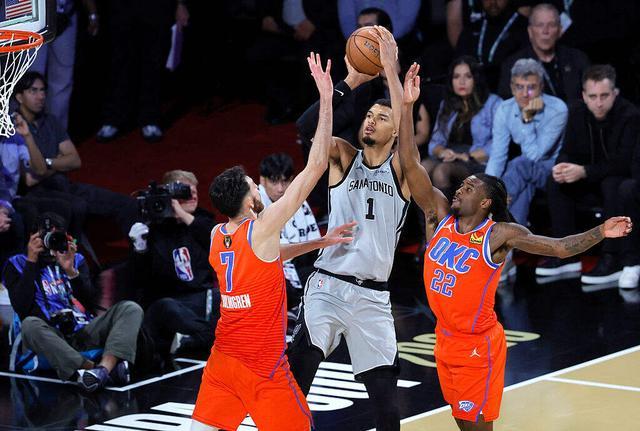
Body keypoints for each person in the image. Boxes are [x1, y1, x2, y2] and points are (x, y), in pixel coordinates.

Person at [397, 62, 632, 430]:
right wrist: (407, 106)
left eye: (469, 187)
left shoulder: (498, 234)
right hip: (444, 339)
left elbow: (559, 248)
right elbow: (411, 165)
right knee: (461, 421)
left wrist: (601, 231)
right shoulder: (439, 216)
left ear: (486, 202)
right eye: (461, 185)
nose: (459, 189)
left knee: (476, 425)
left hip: (478, 345)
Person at [191, 53, 350, 431]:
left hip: (224, 361)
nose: (257, 188)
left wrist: (320, 241)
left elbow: (268, 257)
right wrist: (327, 99)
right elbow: (315, 166)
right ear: (249, 202)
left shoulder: (217, 235)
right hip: (262, 367)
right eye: (253, 186)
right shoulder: (260, 228)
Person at [288, 27, 410, 431]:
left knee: (388, 410)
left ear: (396, 130)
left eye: (382, 117)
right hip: (328, 285)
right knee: (299, 374)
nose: (372, 121)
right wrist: (349, 82)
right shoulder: (343, 156)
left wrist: (390, 72)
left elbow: (407, 128)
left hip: (373, 297)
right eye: (369, 115)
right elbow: (306, 129)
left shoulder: (402, 170)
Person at [2, 212, 144, 392]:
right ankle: (93, 369)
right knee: (30, 324)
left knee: (130, 308)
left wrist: (71, 272)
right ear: (32, 236)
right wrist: (31, 262)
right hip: (50, 336)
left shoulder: (76, 259)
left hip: (83, 330)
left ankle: (103, 369)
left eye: (56, 236)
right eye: (46, 236)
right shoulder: (17, 263)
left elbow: (91, 303)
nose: (51, 241)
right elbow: (21, 307)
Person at [537, 65, 640, 284]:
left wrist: (584, 171)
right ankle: (567, 254)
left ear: (615, 93)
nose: (599, 103)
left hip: (616, 179)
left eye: (604, 96)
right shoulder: (577, 112)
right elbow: (568, 150)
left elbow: (624, 164)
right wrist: (562, 166)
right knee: (555, 182)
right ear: (584, 96)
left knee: (613, 184)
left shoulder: (630, 115)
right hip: (589, 179)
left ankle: (612, 258)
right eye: (593, 97)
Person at [14, 72, 139, 240]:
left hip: (64, 184)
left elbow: (75, 160)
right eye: (33, 91)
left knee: (127, 203)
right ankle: (74, 254)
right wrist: (59, 161)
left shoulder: (50, 121)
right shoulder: (14, 127)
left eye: (43, 90)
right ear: (19, 97)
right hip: (36, 193)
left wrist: (46, 163)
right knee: (76, 207)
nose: (41, 96)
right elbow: (30, 180)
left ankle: (139, 250)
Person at [127, 170, 219, 359]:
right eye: (186, 192)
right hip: (171, 303)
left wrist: (182, 215)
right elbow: (140, 280)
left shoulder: (203, 223)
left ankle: (192, 341)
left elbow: (218, 243)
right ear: (170, 196)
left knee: (225, 296)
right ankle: (212, 338)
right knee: (166, 306)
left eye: (195, 191)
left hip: (201, 299)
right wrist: (140, 249)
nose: (194, 196)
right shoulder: (152, 230)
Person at [485, 58, 568, 227]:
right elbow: (498, 155)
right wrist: (487, 186)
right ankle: (512, 239)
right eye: (519, 87)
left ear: (541, 87)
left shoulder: (558, 109)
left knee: (519, 164)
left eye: (531, 87)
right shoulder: (505, 109)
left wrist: (527, 119)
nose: (525, 94)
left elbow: (535, 155)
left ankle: (491, 208)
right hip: (524, 172)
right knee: (522, 185)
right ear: (511, 87)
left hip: (552, 171)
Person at [423, 56, 502, 199]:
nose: (461, 82)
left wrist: (467, 156)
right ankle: (425, 215)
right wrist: (442, 152)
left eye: (468, 76)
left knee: (441, 171)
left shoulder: (493, 103)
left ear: (476, 79)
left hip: (475, 159)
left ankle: (446, 214)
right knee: (423, 168)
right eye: (456, 77)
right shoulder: (447, 104)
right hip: (451, 155)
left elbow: (498, 144)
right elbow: (435, 142)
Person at [258, 153, 320, 310]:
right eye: (274, 182)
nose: (280, 189)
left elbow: (314, 246)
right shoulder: (254, 205)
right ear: (263, 180)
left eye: (285, 181)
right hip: (268, 268)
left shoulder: (299, 201)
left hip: (298, 264)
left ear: (292, 180)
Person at [497, 3, 589, 103]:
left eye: (551, 25)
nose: (545, 31)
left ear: (560, 30)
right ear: (530, 31)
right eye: (540, 25)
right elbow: (507, 104)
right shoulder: (512, 65)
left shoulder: (578, 59)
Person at [455, 0, 529, 90]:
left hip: (510, 91)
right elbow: (459, 61)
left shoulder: (523, 27)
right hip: (474, 90)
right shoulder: (472, 27)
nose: (493, 2)